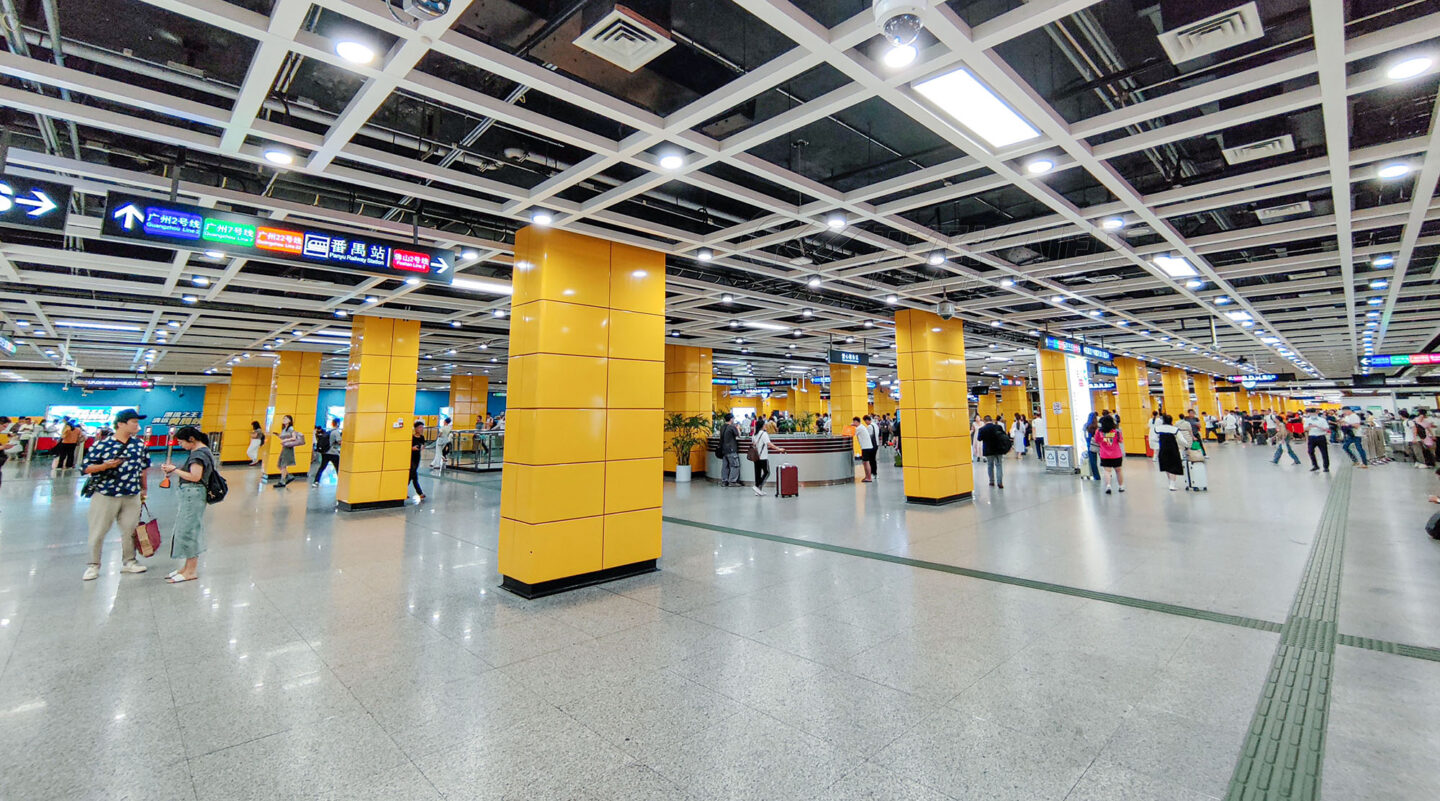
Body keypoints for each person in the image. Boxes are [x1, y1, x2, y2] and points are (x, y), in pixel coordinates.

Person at [80, 409, 151, 581]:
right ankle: (93, 565)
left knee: (130, 530)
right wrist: (105, 466)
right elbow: (85, 468)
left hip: (131, 494)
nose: (137, 425)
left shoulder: (139, 445)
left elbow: (143, 468)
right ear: (121, 424)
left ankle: (129, 561)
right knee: (98, 531)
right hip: (106, 494)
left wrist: (144, 489)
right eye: (134, 422)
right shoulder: (102, 445)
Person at [159, 426, 215, 584]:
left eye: (182, 442)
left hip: (193, 494)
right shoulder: (203, 451)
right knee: (186, 528)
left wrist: (174, 470)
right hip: (193, 495)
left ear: (191, 439)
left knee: (189, 531)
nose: (181, 445)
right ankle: (186, 568)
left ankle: (191, 570)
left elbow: (195, 476)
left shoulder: (198, 455)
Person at [750, 423, 785, 496]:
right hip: (763, 456)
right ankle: (757, 487)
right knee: (767, 472)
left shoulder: (754, 434)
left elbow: (753, 444)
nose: (765, 426)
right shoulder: (764, 434)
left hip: (756, 456)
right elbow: (769, 444)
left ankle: (758, 490)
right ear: (761, 426)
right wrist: (779, 449)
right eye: (764, 425)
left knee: (757, 473)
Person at [1094, 414, 1125, 493]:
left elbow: (1096, 440)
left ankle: (1108, 486)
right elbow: (1121, 440)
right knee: (1118, 471)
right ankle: (1121, 486)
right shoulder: (1117, 431)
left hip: (1105, 455)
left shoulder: (1099, 432)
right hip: (1116, 455)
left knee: (1107, 471)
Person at [1154, 413, 1185, 491]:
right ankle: (1172, 484)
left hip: (1163, 449)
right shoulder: (1174, 429)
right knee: (1173, 466)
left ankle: (1170, 482)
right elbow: (1182, 439)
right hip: (1173, 449)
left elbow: (1155, 438)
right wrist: (1187, 445)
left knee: (1166, 466)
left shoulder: (1158, 429)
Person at [975, 415, 1007, 489]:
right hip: (998, 450)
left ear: (984, 421)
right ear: (991, 420)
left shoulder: (982, 429)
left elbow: (979, 439)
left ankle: (991, 481)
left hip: (988, 450)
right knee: (999, 465)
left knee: (990, 465)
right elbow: (1004, 436)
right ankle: (1000, 482)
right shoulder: (998, 427)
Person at [273, 415, 303, 487]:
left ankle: (282, 481)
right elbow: (283, 437)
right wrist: (278, 435)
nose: (284, 420)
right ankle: (289, 476)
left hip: (288, 448)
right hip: (284, 447)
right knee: (279, 465)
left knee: (283, 465)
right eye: (283, 418)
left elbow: (294, 437)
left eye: (286, 419)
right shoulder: (284, 429)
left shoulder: (290, 428)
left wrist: (286, 440)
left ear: (290, 420)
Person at [313, 419, 341, 485]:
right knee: (338, 468)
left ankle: (316, 481)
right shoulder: (336, 432)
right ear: (338, 424)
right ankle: (341, 482)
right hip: (333, 453)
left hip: (325, 452)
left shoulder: (328, 431)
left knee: (322, 467)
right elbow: (339, 442)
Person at [1303, 409, 1331, 473]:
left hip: (1321, 437)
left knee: (1324, 452)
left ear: (1316, 413)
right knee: (1310, 451)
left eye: (1313, 413)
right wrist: (1309, 427)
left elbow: (1326, 429)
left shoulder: (1322, 420)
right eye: (1310, 413)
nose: (1312, 415)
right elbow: (1305, 429)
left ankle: (1326, 467)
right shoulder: (1307, 420)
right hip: (1311, 437)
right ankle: (1315, 465)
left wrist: (1318, 427)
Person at [719, 413, 742, 487]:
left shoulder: (722, 427)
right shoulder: (732, 427)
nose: (734, 419)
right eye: (733, 418)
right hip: (731, 449)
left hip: (724, 450)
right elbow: (739, 435)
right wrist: (738, 428)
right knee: (735, 465)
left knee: (725, 466)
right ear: (731, 419)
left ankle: (724, 481)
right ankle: (732, 481)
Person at [854, 416, 876, 482]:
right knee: (865, 462)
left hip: (866, 447)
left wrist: (851, 426)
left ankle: (869, 478)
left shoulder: (859, 428)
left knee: (866, 463)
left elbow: (852, 433)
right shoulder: (862, 427)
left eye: (854, 422)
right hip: (867, 446)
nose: (853, 423)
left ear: (856, 422)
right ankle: (867, 476)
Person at [409, 420, 426, 502]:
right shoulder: (411, 437)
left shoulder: (422, 437)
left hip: (417, 457)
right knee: (413, 474)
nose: (421, 429)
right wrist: (412, 448)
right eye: (420, 427)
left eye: (422, 427)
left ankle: (402, 491)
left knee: (411, 475)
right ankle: (420, 493)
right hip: (411, 457)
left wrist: (422, 447)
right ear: (415, 428)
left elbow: (423, 444)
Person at [1083, 411, 1100, 480]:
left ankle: (1097, 476)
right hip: (1099, 444)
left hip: (1090, 444)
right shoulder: (1098, 425)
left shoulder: (1086, 425)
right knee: (1104, 460)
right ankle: (1108, 472)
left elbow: (1084, 435)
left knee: (1093, 462)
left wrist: (1087, 441)